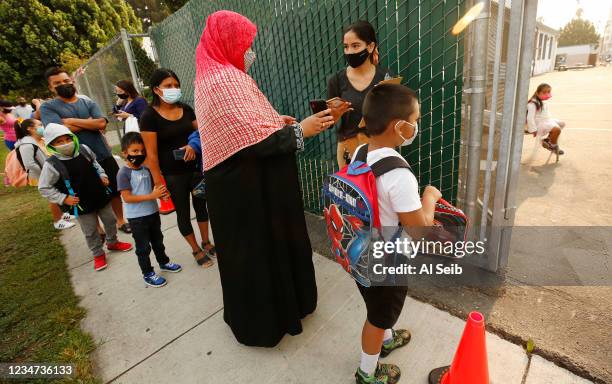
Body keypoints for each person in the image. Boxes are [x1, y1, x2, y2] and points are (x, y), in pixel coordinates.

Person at [194, 10, 334, 347]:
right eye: (245, 44)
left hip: (245, 186)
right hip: (245, 190)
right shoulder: (223, 80)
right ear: (227, 41)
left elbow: (247, 125)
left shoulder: (218, 75)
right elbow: (250, 142)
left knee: (261, 250)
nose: (249, 52)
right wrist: (302, 129)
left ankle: (283, 309)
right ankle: (266, 323)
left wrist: (276, 121)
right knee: (258, 252)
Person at [351, 83, 441, 384]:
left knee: (377, 307)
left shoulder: (361, 152)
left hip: (360, 252)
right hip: (387, 263)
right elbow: (420, 232)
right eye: (414, 121)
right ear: (398, 126)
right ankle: (367, 373)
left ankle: (386, 340)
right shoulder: (399, 175)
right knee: (377, 318)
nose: (416, 127)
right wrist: (430, 197)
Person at [39, 67, 131, 233]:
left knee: (115, 189)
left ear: (72, 80)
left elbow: (102, 123)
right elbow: (57, 132)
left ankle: (121, 220)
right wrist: (89, 122)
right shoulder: (48, 108)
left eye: (66, 80)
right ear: (51, 87)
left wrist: (71, 121)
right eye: (57, 83)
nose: (63, 84)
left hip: (101, 153)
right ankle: (98, 229)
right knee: (87, 195)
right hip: (75, 161)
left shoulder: (87, 101)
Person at [139, 68, 215, 268]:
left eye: (176, 85)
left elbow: (202, 134)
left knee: (202, 207)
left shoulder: (187, 109)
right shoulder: (148, 116)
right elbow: (152, 155)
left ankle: (206, 242)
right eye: (168, 86)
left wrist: (193, 146)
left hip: (196, 168)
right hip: (173, 175)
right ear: (156, 90)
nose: (174, 89)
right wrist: (159, 184)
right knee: (182, 213)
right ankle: (195, 250)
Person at [38, 123, 133, 271]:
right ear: (51, 145)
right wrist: (63, 198)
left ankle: (112, 242)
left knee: (111, 220)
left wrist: (102, 175)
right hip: (80, 203)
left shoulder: (84, 150)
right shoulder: (52, 165)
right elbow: (44, 187)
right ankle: (98, 253)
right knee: (90, 231)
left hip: (100, 195)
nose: (65, 144)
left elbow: (95, 163)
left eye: (67, 139)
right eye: (59, 142)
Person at [117, 132, 182, 287]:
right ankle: (148, 273)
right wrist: (152, 195)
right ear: (125, 153)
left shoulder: (147, 169)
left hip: (153, 213)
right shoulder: (123, 173)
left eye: (142, 151)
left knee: (158, 241)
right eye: (134, 151)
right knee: (143, 247)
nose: (139, 154)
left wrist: (162, 196)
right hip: (137, 219)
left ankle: (164, 262)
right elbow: (127, 198)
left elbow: (155, 189)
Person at [328, 20, 394, 169]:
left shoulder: (386, 77)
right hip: (348, 152)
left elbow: (394, 117)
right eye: (346, 47)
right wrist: (334, 116)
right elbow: (328, 122)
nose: (350, 51)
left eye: (355, 45)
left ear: (370, 47)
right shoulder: (336, 80)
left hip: (379, 150)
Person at [14, 118, 74, 229]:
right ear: (30, 129)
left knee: (58, 191)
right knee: (52, 197)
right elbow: (29, 164)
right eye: (40, 124)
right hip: (40, 175)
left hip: (49, 172)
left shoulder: (39, 140)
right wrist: (45, 173)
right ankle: (58, 221)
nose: (42, 126)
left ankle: (64, 214)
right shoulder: (26, 144)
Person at [526, 83, 565, 155]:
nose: (547, 94)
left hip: (546, 120)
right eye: (544, 92)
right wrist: (533, 130)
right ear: (537, 93)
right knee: (557, 129)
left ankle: (548, 140)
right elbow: (530, 118)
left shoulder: (543, 101)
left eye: (549, 92)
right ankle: (552, 146)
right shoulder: (532, 103)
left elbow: (545, 114)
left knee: (562, 124)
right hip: (539, 123)